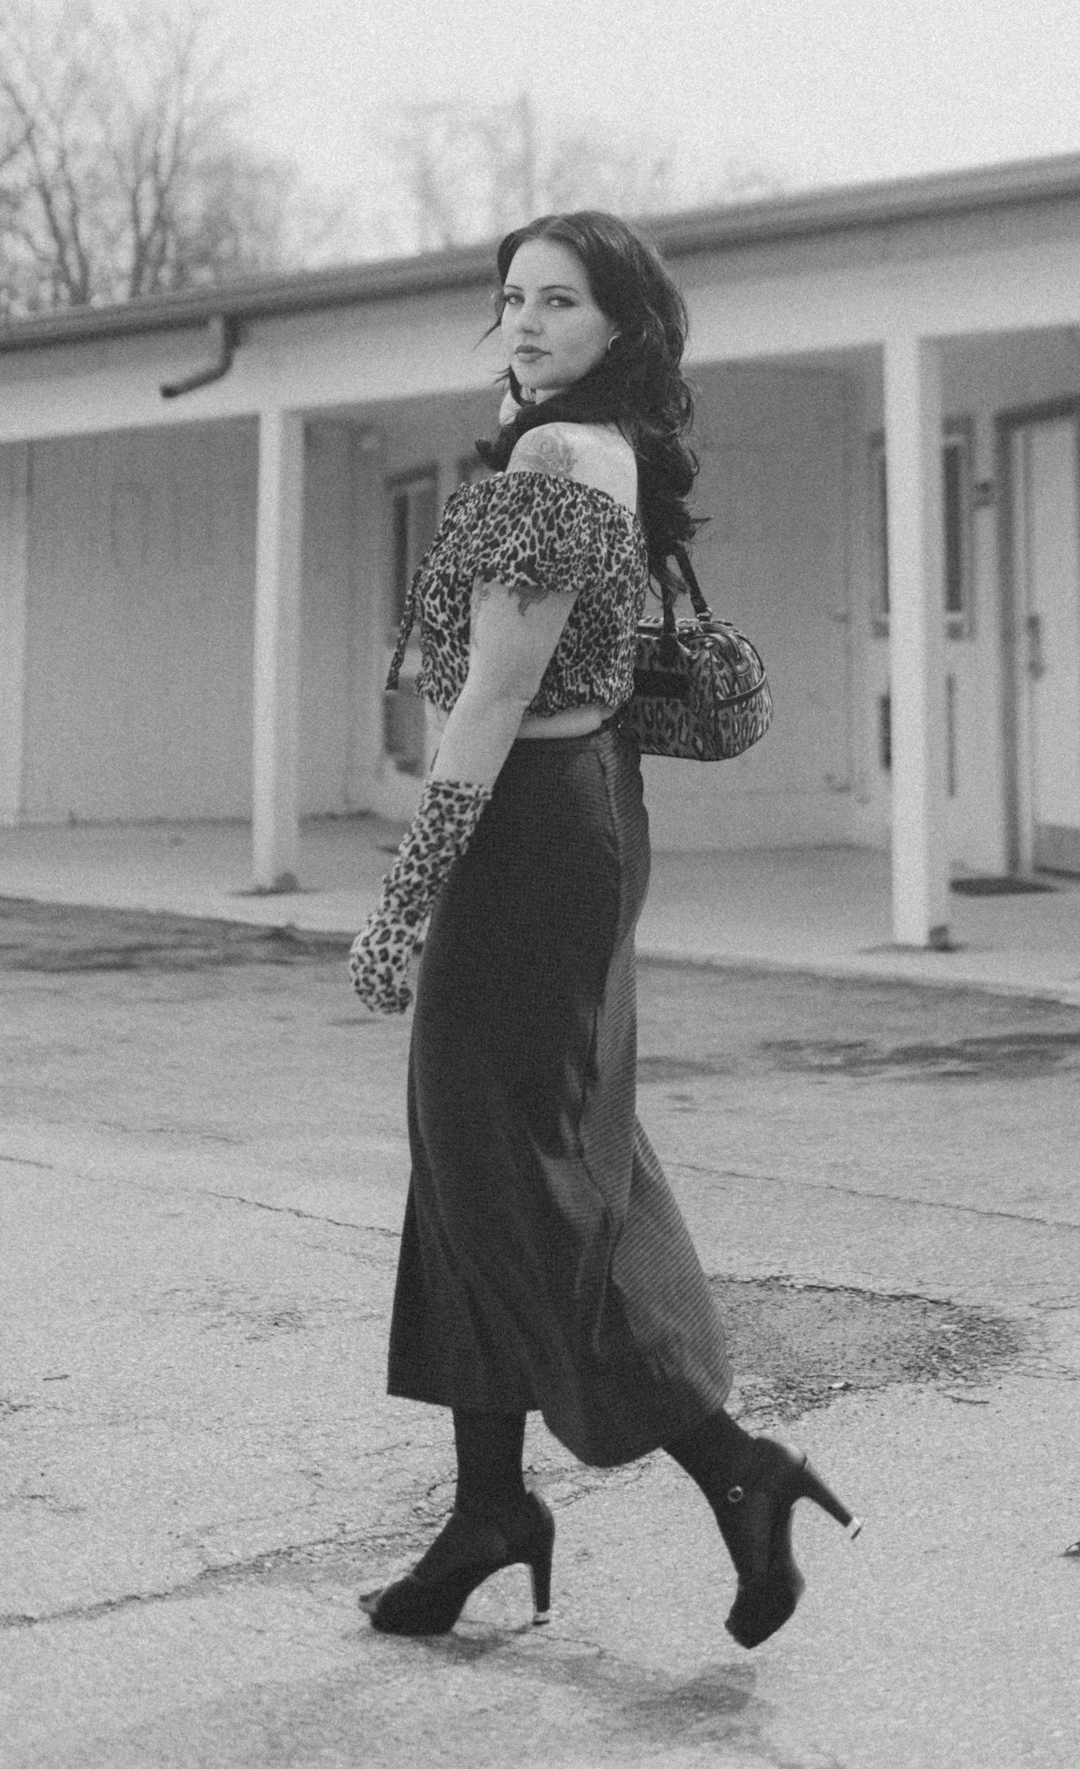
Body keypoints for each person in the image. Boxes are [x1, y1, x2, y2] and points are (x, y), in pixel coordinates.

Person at [349, 209, 859, 1648]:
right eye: (512, 297)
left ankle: (734, 1467)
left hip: (529, 831)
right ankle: (487, 1507)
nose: (524, 322)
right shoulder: (595, 447)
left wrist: (404, 897)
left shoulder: (560, 459)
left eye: (560, 302)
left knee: (514, 1157)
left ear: (619, 325)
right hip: (579, 814)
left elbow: (496, 695)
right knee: (498, 1154)